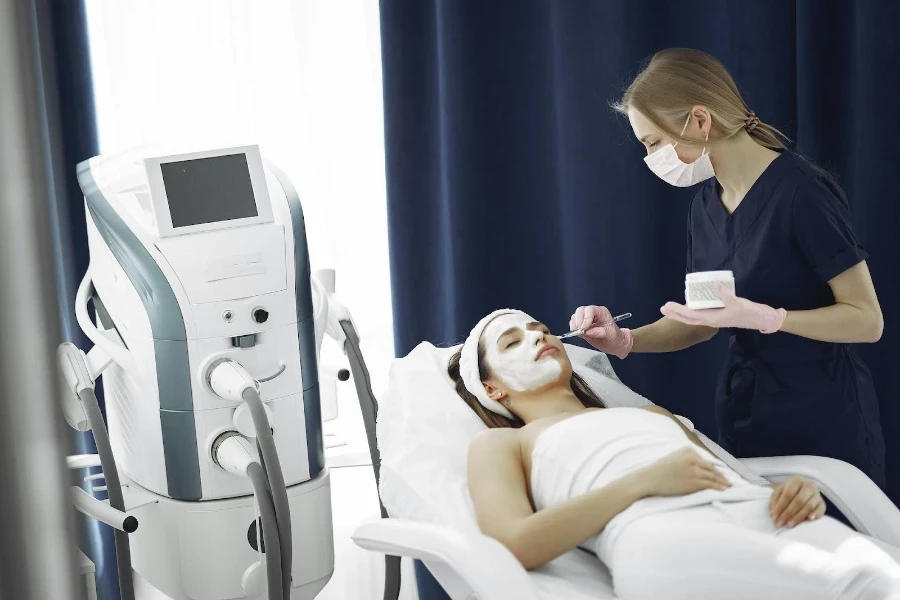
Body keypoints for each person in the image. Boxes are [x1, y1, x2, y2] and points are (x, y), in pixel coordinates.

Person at [570, 48, 885, 488]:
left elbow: (868, 321)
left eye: (654, 143)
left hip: (824, 416)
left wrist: (773, 319)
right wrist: (624, 340)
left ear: (700, 120)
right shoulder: (705, 208)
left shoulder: (802, 193)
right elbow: (701, 323)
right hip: (747, 416)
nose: (651, 159)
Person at [448, 308, 900, 600]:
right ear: (491, 389)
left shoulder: (649, 414)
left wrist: (792, 491)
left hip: (764, 515)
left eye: (541, 330)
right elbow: (513, 542)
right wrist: (644, 481)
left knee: (887, 574)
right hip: (664, 538)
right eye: (512, 342)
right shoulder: (503, 443)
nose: (536, 338)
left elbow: (734, 477)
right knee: (866, 586)